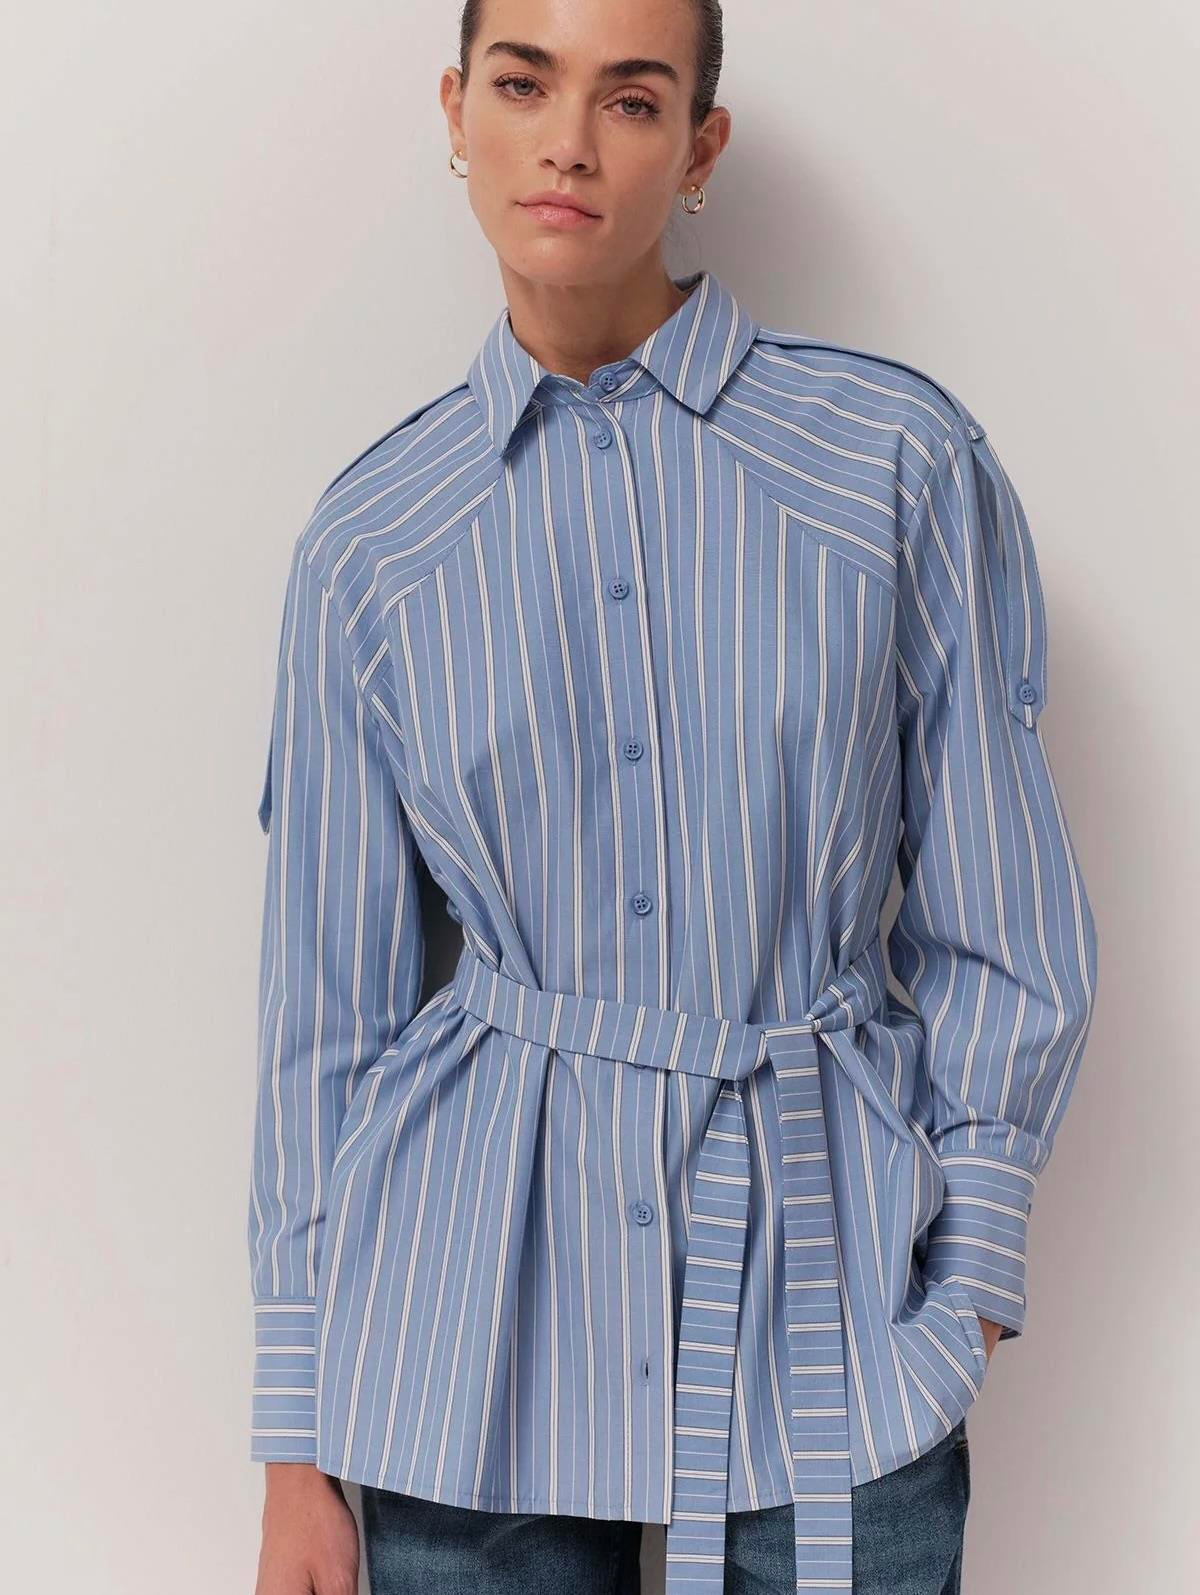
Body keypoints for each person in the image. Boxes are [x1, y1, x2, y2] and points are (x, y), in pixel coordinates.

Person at [247, 2, 1099, 1592]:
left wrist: (972, 1269)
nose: (568, 144)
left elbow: (1003, 913)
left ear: (701, 147)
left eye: (630, 101)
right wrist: (299, 1450)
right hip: (464, 1334)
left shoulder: (893, 466)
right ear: (457, 113)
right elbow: (324, 1026)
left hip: (834, 1302)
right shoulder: (374, 541)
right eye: (524, 85)